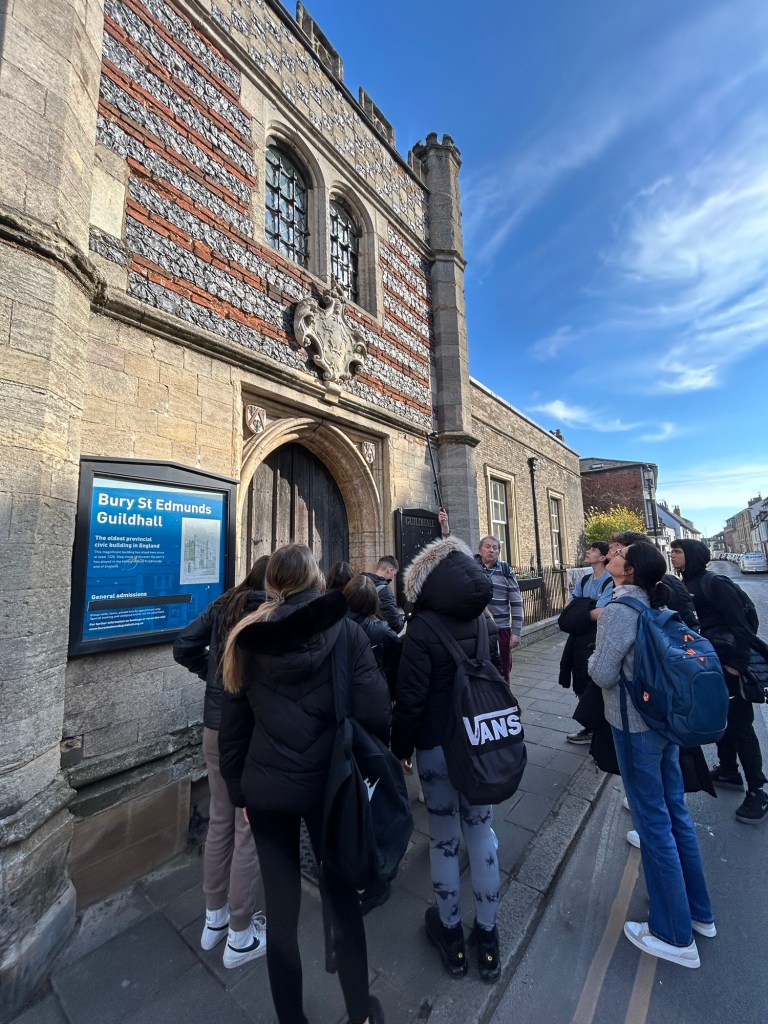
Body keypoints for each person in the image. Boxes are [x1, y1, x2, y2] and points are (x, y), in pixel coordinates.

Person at [219, 544, 390, 1024]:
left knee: (281, 914)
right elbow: (376, 711)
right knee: (343, 901)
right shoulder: (348, 632)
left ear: (273, 583)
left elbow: (233, 730)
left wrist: (240, 793)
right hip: (329, 787)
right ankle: (360, 1013)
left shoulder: (246, 637)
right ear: (315, 579)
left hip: (267, 789)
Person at [588, 543, 714, 969]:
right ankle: (698, 913)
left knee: (653, 823)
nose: (613, 553)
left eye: (620, 554)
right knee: (674, 812)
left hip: (634, 728)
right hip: (662, 723)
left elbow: (603, 673)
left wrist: (591, 657)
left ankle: (674, 934)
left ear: (628, 571)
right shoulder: (654, 603)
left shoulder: (619, 611)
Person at [391, 535, 502, 983]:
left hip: (436, 747)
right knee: (482, 834)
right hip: (479, 744)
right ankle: (488, 941)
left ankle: (452, 936)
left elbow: (410, 700)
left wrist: (401, 748)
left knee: (443, 840)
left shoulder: (420, 629)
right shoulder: (485, 622)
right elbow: (497, 679)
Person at [172, 556, 269, 968]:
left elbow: (183, 646)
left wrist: (212, 677)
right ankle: (241, 934)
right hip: (251, 731)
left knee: (220, 817)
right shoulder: (270, 613)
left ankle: (215, 919)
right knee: (248, 827)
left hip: (215, 725)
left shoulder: (223, 606)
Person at [670, 539, 768, 824]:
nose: (672, 555)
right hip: (708, 666)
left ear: (692, 555)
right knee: (719, 718)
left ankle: (758, 791)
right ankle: (728, 770)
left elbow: (743, 626)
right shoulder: (686, 584)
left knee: (741, 726)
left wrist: (736, 665)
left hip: (728, 665)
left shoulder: (714, 583)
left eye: (677, 551)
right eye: (672, 551)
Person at [561, 542, 614, 745]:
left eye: (592, 550)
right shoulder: (584, 580)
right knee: (579, 676)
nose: (587, 552)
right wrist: (586, 608)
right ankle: (591, 727)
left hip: (596, 636)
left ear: (602, 557)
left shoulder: (609, 581)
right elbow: (568, 605)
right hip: (578, 636)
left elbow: (602, 612)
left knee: (592, 679)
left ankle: (596, 729)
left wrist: (579, 608)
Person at [610, 531, 698, 628]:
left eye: (619, 550)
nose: (613, 551)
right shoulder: (623, 588)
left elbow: (687, 622)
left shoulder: (660, 587)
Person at [474, 536, 523, 685]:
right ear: (480, 550)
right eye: (487, 546)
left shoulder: (506, 570)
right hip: (477, 628)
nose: (491, 550)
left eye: (495, 548)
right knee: (478, 669)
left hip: (501, 629)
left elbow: (516, 602)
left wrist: (516, 632)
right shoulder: (472, 568)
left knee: (503, 669)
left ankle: (504, 695)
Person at [343, 574, 401, 699]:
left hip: (342, 688)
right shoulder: (382, 630)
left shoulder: (335, 624)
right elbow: (396, 649)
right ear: (374, 599)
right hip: (374, 692)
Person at [362, 555, 405, 633]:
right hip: (374, 634)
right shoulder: (384, 591)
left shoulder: (360, 582)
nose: (392, 578)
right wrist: (402, 620)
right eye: (394, 574)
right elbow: (395, 624)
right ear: (390, 570)